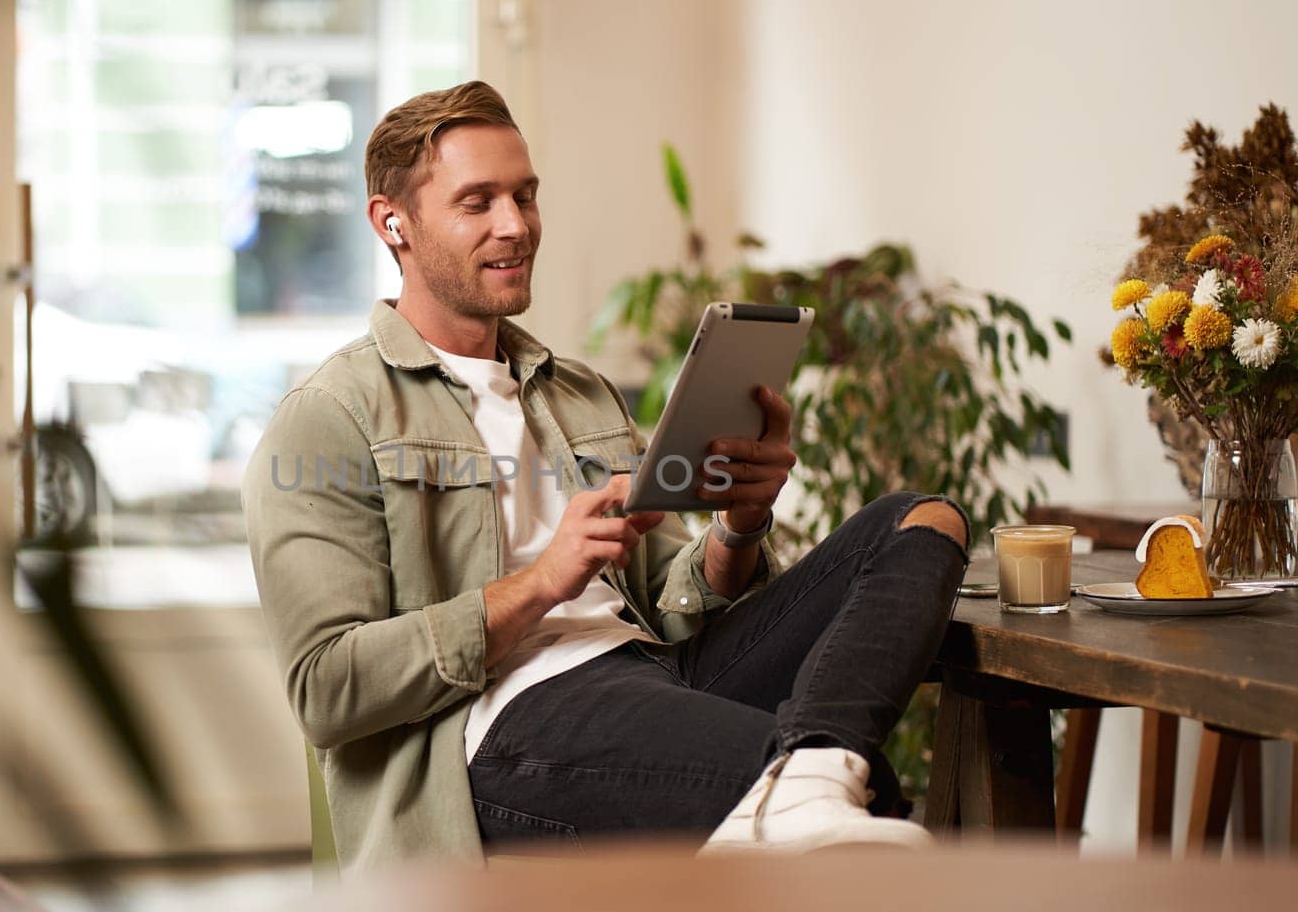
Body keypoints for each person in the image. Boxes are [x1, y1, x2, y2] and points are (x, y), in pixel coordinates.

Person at [245, 80, 969, 871]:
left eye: (524, 195)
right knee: (864, 795)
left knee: (921, 522)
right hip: (504, 724)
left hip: (655, 670)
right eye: (477, 201)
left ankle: (813, 765)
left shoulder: (578, 392)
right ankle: (803, 781)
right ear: (395, 223)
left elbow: (676, 600)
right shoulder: (331, 414)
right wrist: (543, 580)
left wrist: (740, 524)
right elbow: (326, 688)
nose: (515, 225)